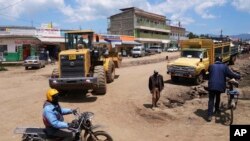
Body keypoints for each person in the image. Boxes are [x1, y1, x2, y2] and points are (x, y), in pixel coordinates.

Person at [207, 56, 240, 122]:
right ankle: (216, 110)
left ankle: (209, 116)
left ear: (215, 60)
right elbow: (231, 74)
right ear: (221, 60)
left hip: (212, 85)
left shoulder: (211, 66)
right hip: (220, 86)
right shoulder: (224, 66)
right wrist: (238, 76)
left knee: (211, 99)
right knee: (218, 96)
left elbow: (209, 71)